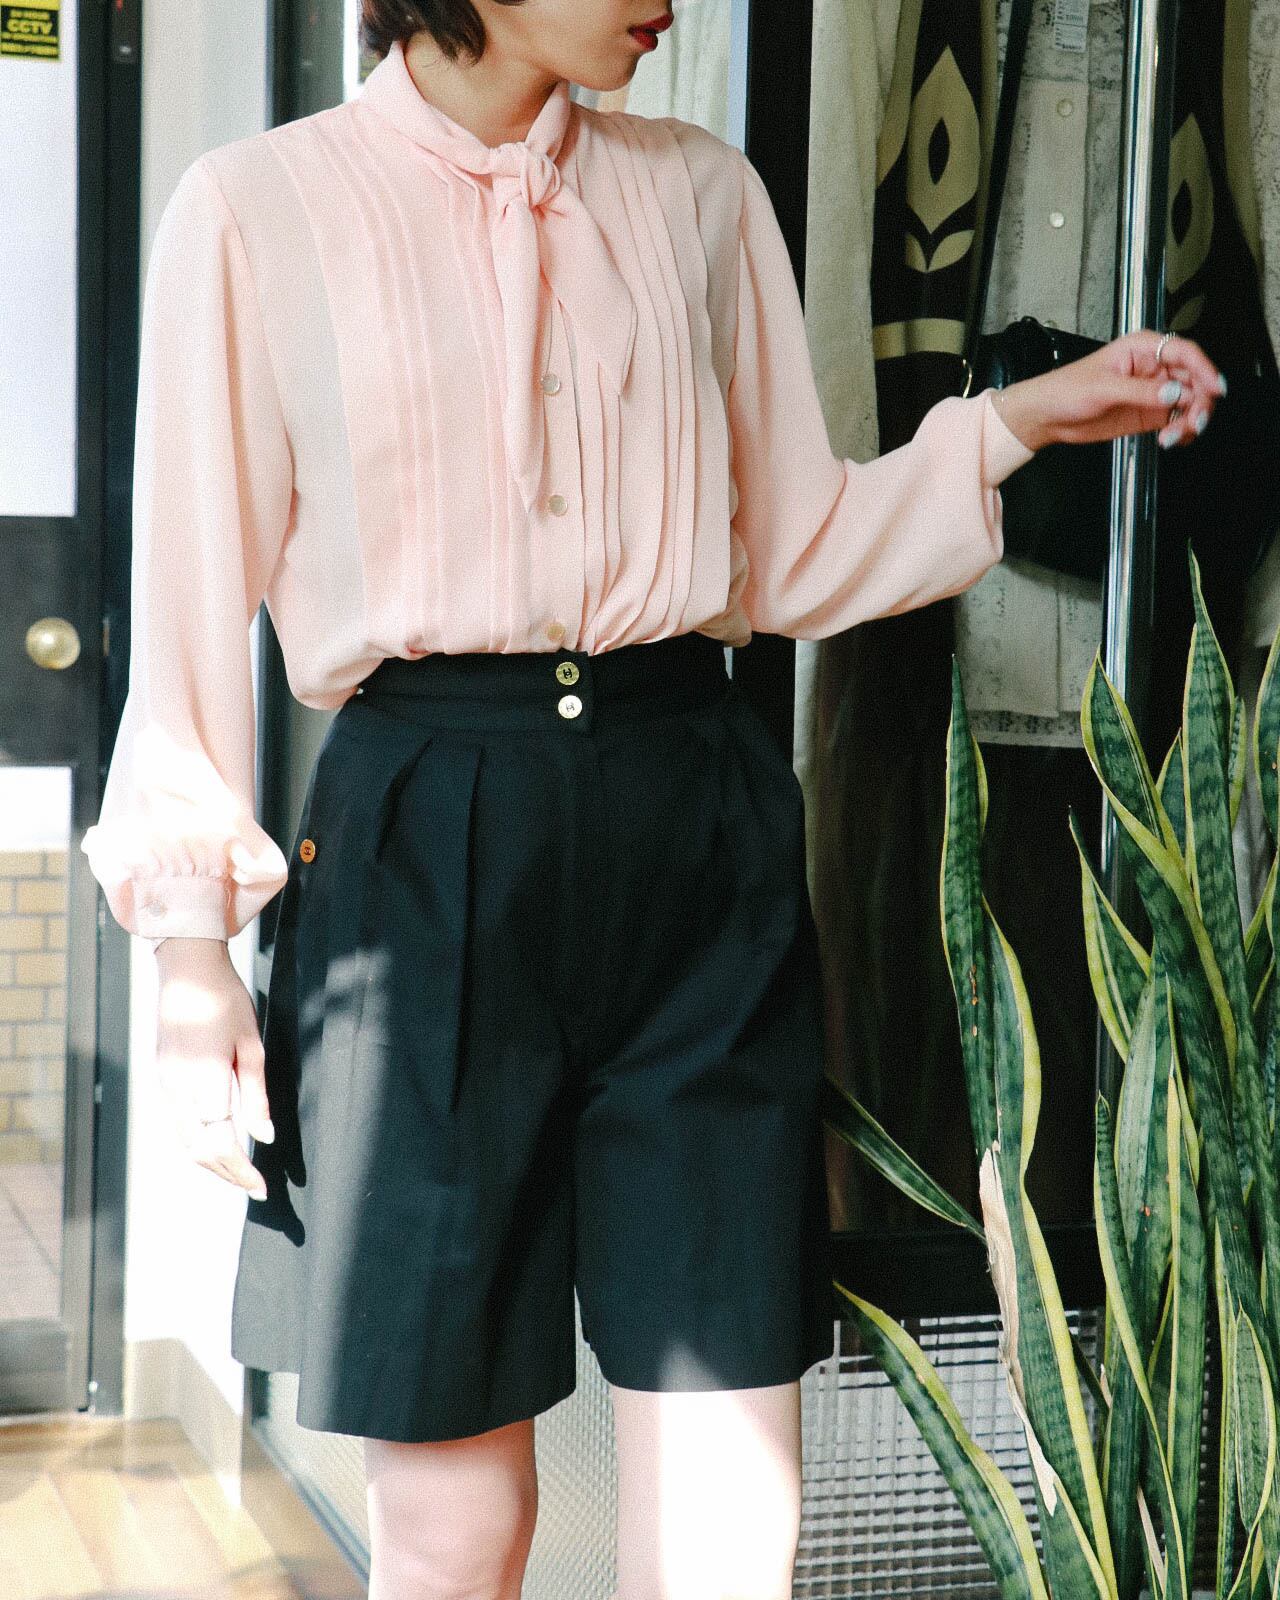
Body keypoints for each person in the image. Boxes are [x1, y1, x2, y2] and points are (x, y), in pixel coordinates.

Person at [79, 1, 1224, 1595]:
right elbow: (192, 610)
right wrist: (192, 956)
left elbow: (793, 550)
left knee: (731, 1527)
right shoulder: (256, 208)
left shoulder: (700, 191)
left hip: (696, 832)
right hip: (424, 853)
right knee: (459, 1524)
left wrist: (1011, 426)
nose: (673, 2)